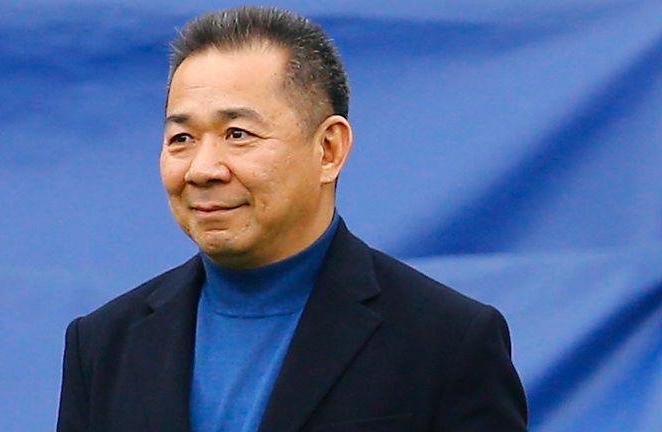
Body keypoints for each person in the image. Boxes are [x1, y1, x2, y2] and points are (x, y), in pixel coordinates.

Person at [57, 6, 528, 432]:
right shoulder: (102, 344)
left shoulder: (446, 340)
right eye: (181, 138)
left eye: (237, 133)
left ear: (329, 149)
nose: (203, 169)